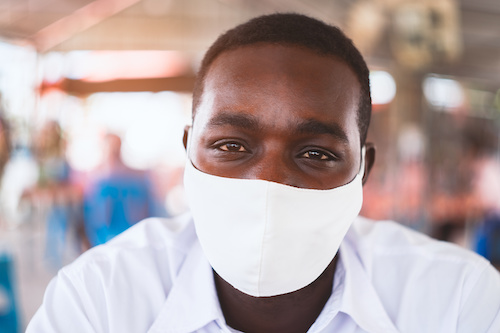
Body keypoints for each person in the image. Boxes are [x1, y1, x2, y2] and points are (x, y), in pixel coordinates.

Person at [27, 13, 500, 333]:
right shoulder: (101, 300)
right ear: (190, 152)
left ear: (364, 171)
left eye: (315, 154)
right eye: (231, 146)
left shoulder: (455, 300)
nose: (269, 182)